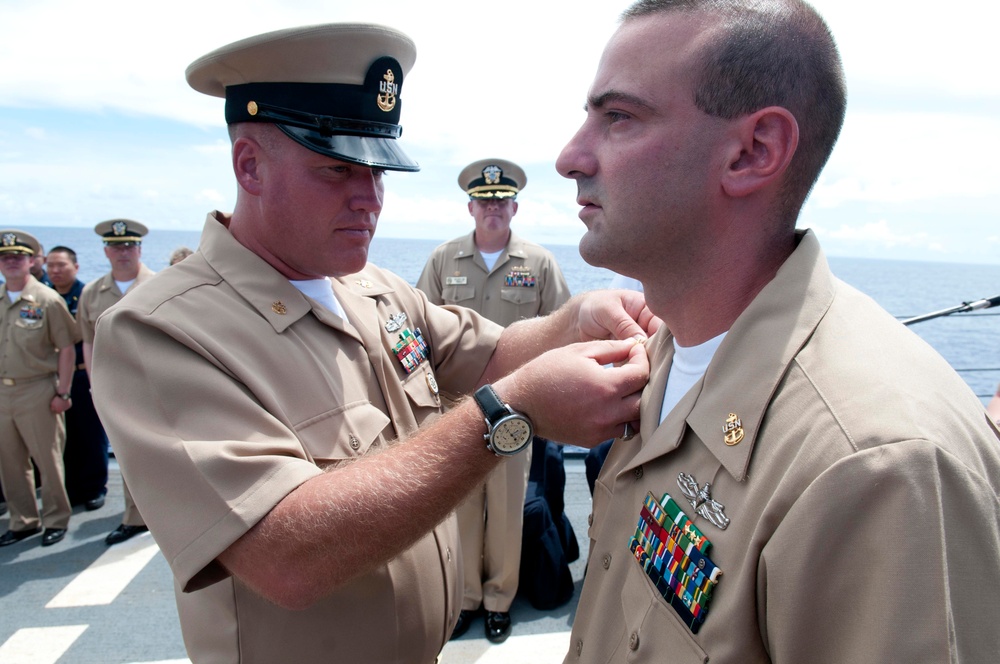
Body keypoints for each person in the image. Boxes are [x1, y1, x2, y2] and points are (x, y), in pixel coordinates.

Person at [90, 24, 653, 664]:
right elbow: (284, 556)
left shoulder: (368, 287)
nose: (370, 199)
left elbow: (492, 354)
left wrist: (580, 317)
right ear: (249, 166)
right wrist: (508, 414)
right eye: (336, 169)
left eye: (378, 170)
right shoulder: (159, 332)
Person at [555, 1, 1000, 662]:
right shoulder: (669, 353)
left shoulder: (873, 466)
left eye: (619, 118)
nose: (570, 157)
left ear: (752, 152)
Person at [416, 158, 571, 643]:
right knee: (460, 505)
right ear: (470, 207)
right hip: (456, 408)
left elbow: (563, 331)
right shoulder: (444, 261)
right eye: (485, 201)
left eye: (502, 201)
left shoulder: (539, 264)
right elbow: (415, 332)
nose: (493, 209)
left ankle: (499, 599)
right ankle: (465, 598)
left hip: (515, 409)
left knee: (506, 509)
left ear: (515, 207)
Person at [77, 219, 156, 545]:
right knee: (126, 453)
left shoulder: (162, 284)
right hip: (115, 387)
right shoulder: (92, 293)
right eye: (116, 246)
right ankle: (136, 517)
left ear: (139, 249)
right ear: (106, 251)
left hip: (155, 384)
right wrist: (97, 385)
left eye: (129, 246)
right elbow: (88, 341)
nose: (123, 252)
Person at [0, 230, 79, 547]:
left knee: (47, 460)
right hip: (3, 393)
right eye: (5, 258)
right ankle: (23, 521)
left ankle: (56, 519)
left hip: (38, 390)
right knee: (10, 462)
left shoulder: (47, 300)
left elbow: (67, 349)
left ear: (31, 261)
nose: (11, 262)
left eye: (18, 257)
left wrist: (63, 392)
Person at [45, 246, 109, 510]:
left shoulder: (86, 295)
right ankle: (71, 489)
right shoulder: (44, 297)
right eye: (50, 266)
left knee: (92, 435)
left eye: (61, 265)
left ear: (76, 267)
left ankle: (94, 487)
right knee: (63, 438)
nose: (55, 271)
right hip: (53, 377)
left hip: (82, 374)